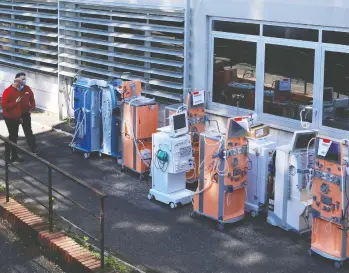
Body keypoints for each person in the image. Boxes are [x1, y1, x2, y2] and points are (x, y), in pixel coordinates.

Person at [2, 72, 39, 163]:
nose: (24, 81)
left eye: (24, 79)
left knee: (28, 131)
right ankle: (11, 156)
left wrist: (33, 106)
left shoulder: (27, 89)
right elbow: (5, 106)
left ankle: (33, 148)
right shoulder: (8, 91)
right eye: (22, 79)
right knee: (13, 136)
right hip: (13, 117)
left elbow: (31, 98)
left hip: (25, 114)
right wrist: (15, 102)